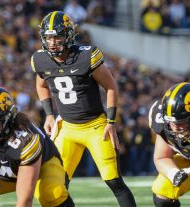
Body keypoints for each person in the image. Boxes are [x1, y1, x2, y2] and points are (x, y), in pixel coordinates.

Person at [31, 11, 136, 207]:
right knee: (56, 184)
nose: (52, 42)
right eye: (48, 37)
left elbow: (111, 87)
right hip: (67, 128)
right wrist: (49, 115)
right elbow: (41, 84)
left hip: (95, 126)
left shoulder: (86, 55)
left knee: (114, 181)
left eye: (57, 36)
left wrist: (111, 122)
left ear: (69, 35)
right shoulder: (40, 60)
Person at [0, 86, 74, 207]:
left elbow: (24, 201)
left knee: (51, 193)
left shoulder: (25, 139)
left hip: (41, 167)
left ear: (7, 119)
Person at [149, 82, 190, 207]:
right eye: (171, 123)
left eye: (181, 122)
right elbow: (162, 157)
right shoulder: (161, 120)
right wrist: (174, 174)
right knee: (163, 190)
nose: (175, 128)